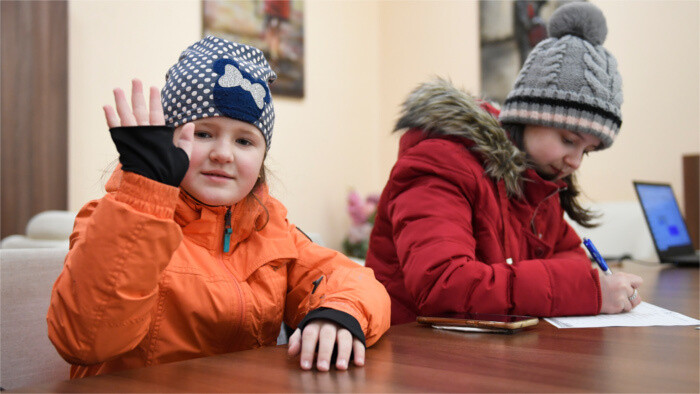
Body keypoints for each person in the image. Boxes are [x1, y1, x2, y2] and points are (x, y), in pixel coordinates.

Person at [47, 36, 390, 377]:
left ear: (262, 157)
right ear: (169, 141)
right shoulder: (114, 216)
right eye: (203, 134)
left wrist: (339, 312)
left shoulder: (270, 228)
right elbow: (85, 340)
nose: (223, 154)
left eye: (244, 140)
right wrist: (143, 195)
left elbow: (354, 279)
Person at [365, 2, 643, 325]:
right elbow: (444, 286)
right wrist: (585, 290)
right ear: (527, 116)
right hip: (414, 354)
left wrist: (576, 282)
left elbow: (573, 259)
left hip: (481, 353)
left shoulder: (538, 181)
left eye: (588, 150)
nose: (576, 161)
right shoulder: (440, 163)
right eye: (568, 140)